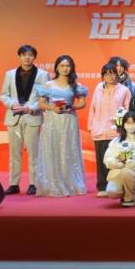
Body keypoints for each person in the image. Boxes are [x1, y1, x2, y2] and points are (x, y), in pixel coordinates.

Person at [34, 55, 88, 197]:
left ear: (72, 68)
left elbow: (82, 103)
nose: (65, 68)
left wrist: (71, 106)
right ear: (57, 67)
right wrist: (53, 107)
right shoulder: (48, 85)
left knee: (69, 149)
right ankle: (54, 183)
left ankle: (71, 183)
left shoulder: (76, 85)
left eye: (68, 66)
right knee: (52, 149)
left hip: (69, 120)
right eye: (62, 66)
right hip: (52, 121)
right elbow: (41, 104)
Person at [0, 44, 49, 195]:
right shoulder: (9, 74)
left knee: (34, 153)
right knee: (14, 153)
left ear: (34, 57)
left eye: (30, 55)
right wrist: (12, 104)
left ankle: (34, 183)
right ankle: (13, 184)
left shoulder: (42, 75)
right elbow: (4, 95)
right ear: (19, 56)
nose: (27, 58)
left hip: (32, 117)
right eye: (24, 55)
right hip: (13, 118)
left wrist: (32, 107)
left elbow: (45, 96)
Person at [89, 62, 132, 197]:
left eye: (112, 73)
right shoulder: (98, 88)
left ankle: (116, 185)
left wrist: (124, 128)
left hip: (116, 132)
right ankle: (102, 187)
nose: (110, 76)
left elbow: (128, 110)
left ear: (117, 74)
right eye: (106, 74)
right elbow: (93, 108)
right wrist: (91, 126)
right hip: (99, 130)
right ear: (103, 75)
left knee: (115, 160)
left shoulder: (124, 90)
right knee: (101, 160)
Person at [103, 111, 135, 207]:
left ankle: (131, 196)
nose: (130, 126)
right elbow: (107, 159)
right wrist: (118, 162)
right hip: (118, 173)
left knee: (126, 172)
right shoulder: (116, 141)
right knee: (112, 192)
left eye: (133, 123)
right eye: (128, 123)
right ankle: (128, 191)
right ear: (123, 124)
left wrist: (134, 164)